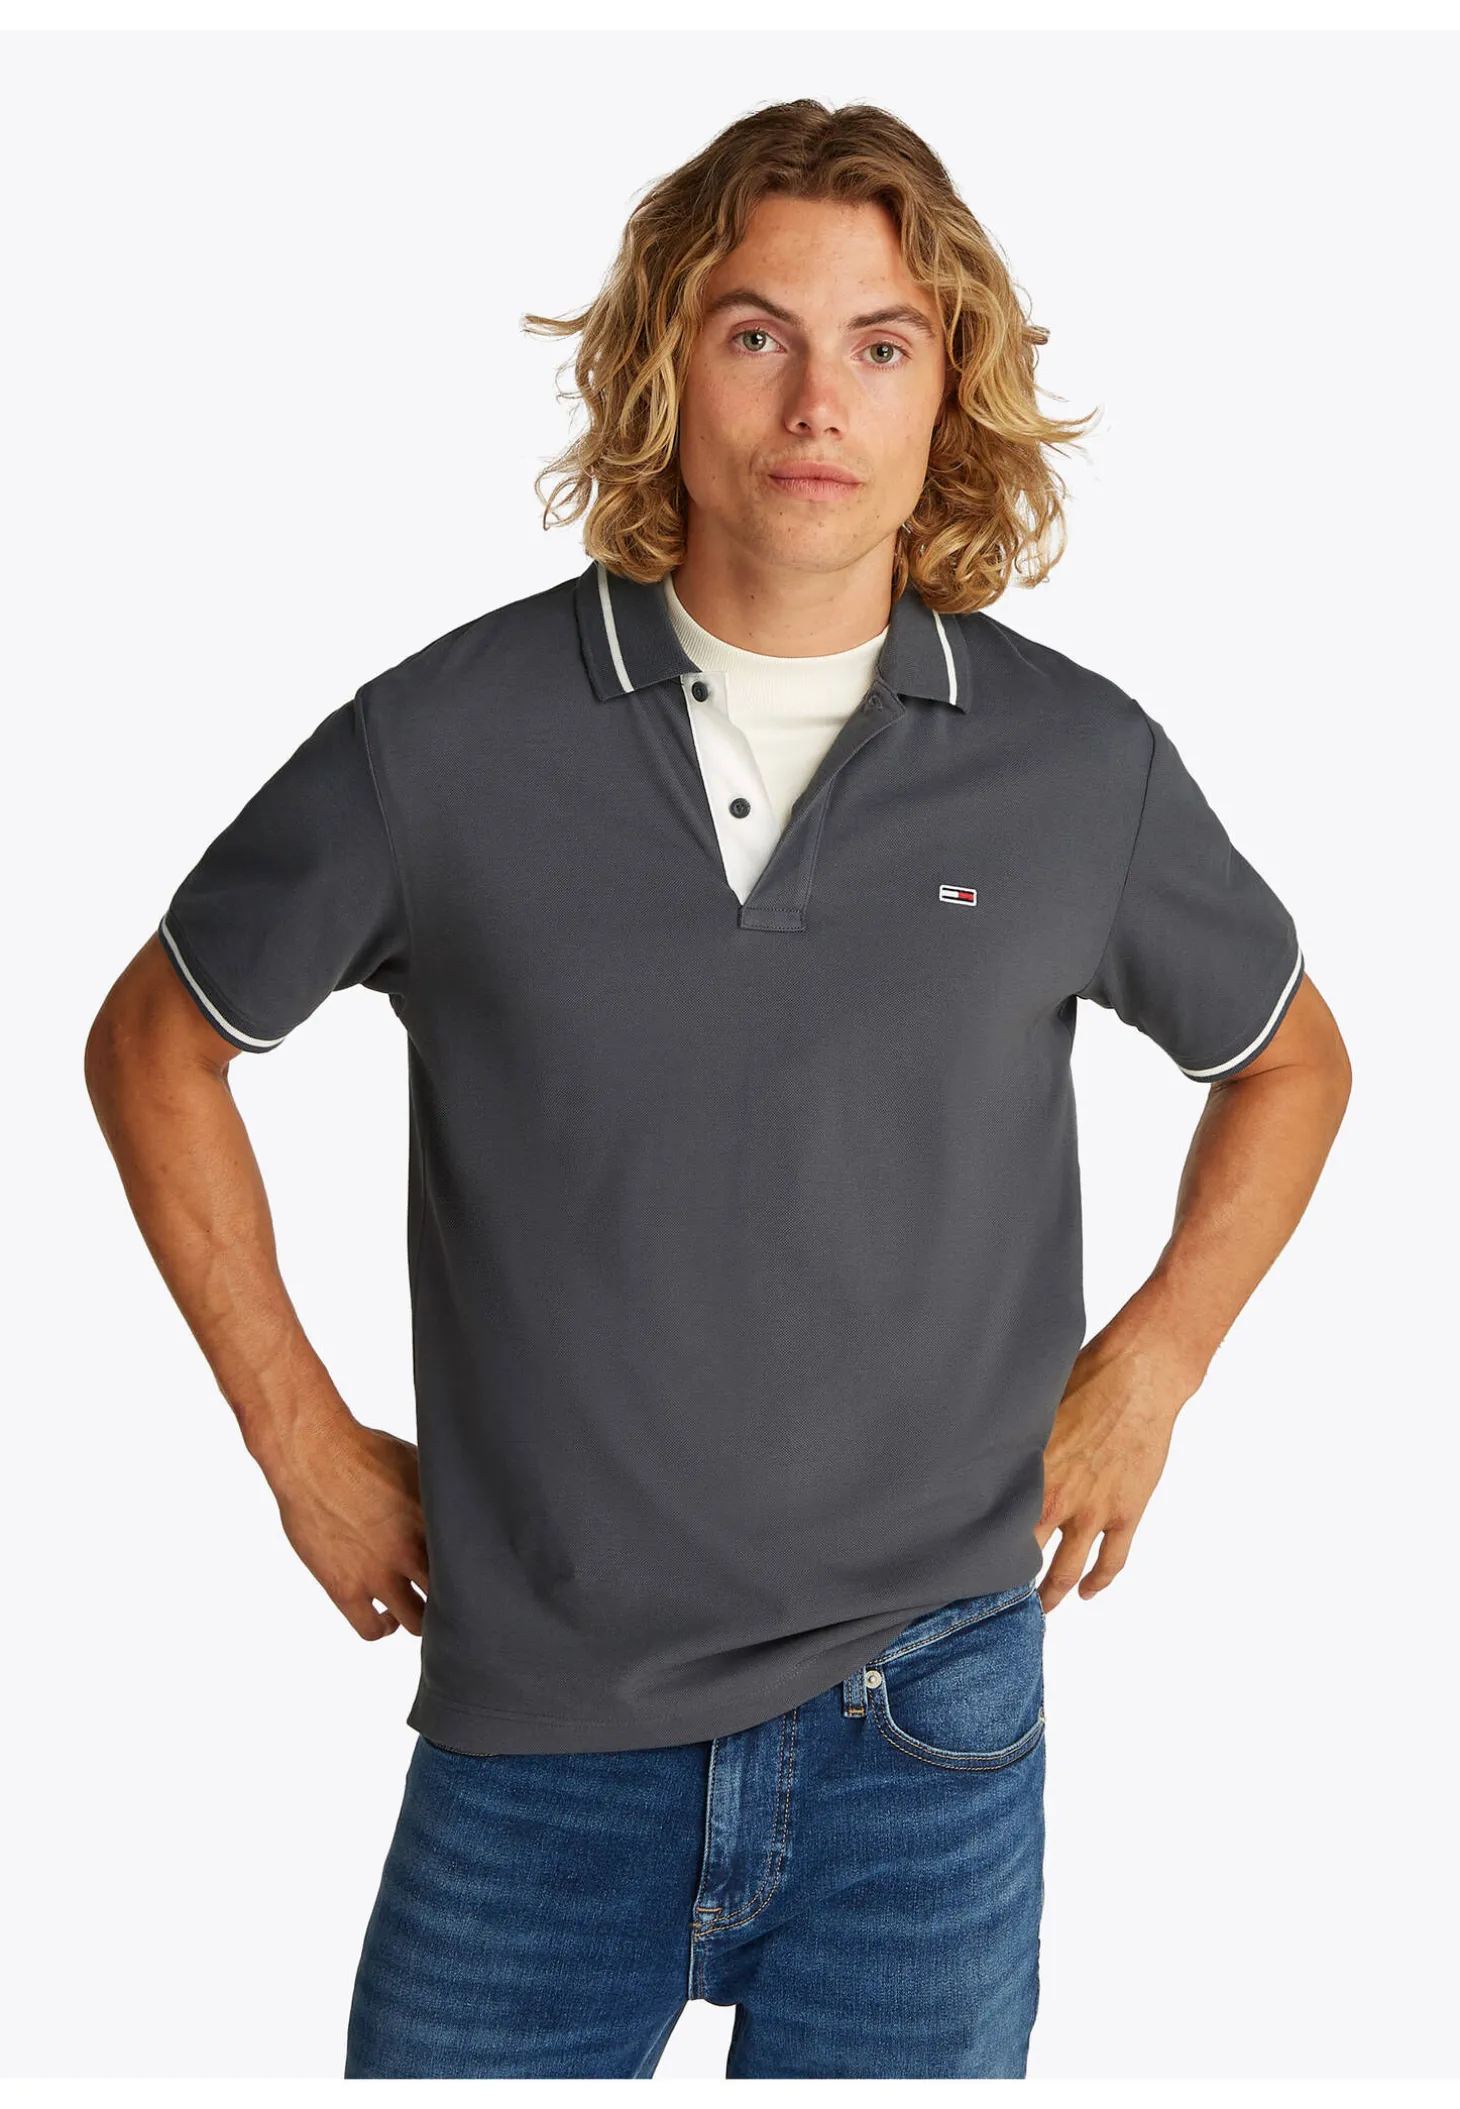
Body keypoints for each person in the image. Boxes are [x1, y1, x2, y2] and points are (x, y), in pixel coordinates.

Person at [84, 99, 1351, 2081]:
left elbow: (1287, 1056)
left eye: (880, 343)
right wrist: (298, 1440)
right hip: (535, 1736)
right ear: (665, 363)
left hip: (926, 1730)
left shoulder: (1075, 767)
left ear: (948, 391)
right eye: (757, 331)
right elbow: (159, 1038)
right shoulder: (444, 742)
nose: (816, 401)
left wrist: (1157, 1361)